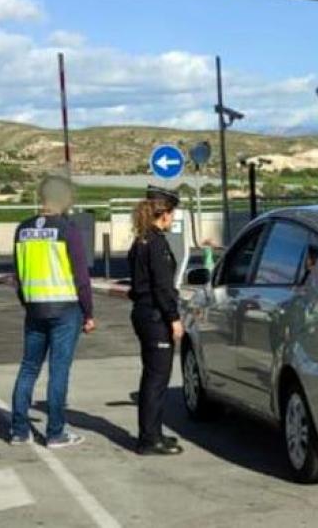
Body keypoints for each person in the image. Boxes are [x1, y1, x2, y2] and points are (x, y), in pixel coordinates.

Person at [9, 175, 96, 448]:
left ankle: (19, 431)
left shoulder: (22, 230)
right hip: (65, 309)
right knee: (58, 371)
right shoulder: (67, 230)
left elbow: (18, 275)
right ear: (64, 200)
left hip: (34, 308)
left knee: (28, 368)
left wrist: (28, 302)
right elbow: (81, 277)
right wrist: (88, 313)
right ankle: (56, 432)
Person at [128, 186, 184, 455]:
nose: (173, 220)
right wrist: (173, 319)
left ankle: (153, 433)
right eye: (172, 215)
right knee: (156, 379)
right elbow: (162, 287)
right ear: (164, 214)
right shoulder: (157, 243)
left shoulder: (141, 240)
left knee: (153, 377)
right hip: (155, 316)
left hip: (143, 312)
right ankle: (149, 439)